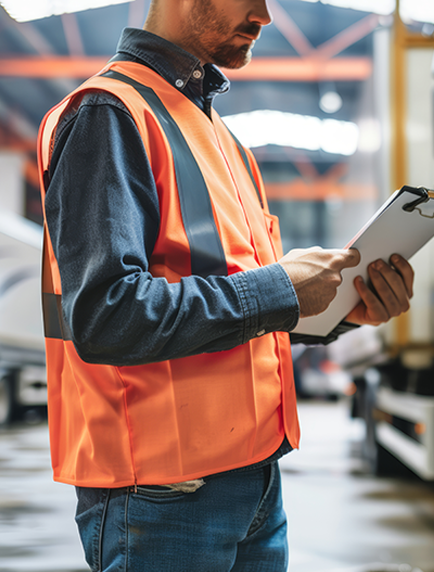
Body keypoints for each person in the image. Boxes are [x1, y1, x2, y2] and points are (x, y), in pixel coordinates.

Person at [36, 0, 414, 570]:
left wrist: (335, 312)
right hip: (162, 494)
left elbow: (242, 311)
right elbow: (107, 317)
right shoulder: (107, 113)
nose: (265, 16)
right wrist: (279, 291)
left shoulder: (222, 138)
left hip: (255, 476)